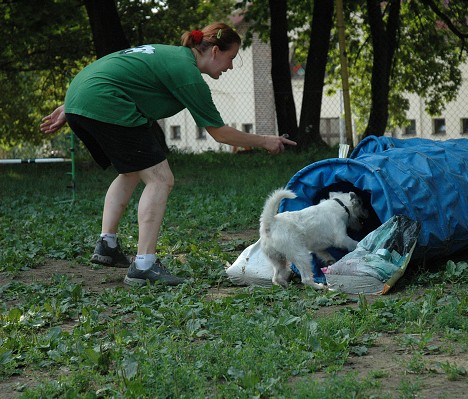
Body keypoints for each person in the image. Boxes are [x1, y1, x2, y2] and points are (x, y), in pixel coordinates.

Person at [40, 22, 296, 287]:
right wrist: (265, 140)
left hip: (82, 97)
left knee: (130, 170)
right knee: (160, 178)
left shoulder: (170, 56)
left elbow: (120, 71)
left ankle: (107, 244)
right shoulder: (187, 73)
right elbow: (219, 133)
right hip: (104, 101)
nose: (230, 66)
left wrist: (74, 103)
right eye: (231, 58)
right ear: (215, 51)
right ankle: (144, 265)